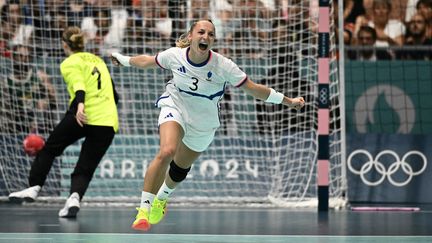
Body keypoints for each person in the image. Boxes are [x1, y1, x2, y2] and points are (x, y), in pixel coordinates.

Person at [110, 19, 305, 231]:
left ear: (213, 40)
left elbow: (254, 88)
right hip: (176, 106)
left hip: (204, 122)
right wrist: (124, 59)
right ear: (191, 36)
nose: (206, 37)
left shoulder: (223, 66)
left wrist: (288, 101)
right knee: (167, 150)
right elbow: (146, 61)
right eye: (201, 32)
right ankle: (143, 211)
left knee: (179, 170)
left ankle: (162, 198)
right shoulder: (174, 55)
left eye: (210, 34)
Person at [8, 26, 119, 218]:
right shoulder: (98, 60)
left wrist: (81, 105)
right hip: (108, 121)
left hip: (82, 114)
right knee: (86, 165)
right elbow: (115, 94)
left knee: (50, 148)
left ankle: (33, 187)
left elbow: (79, 86)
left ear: (64, 44)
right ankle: (74, 198)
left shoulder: (69, 62)